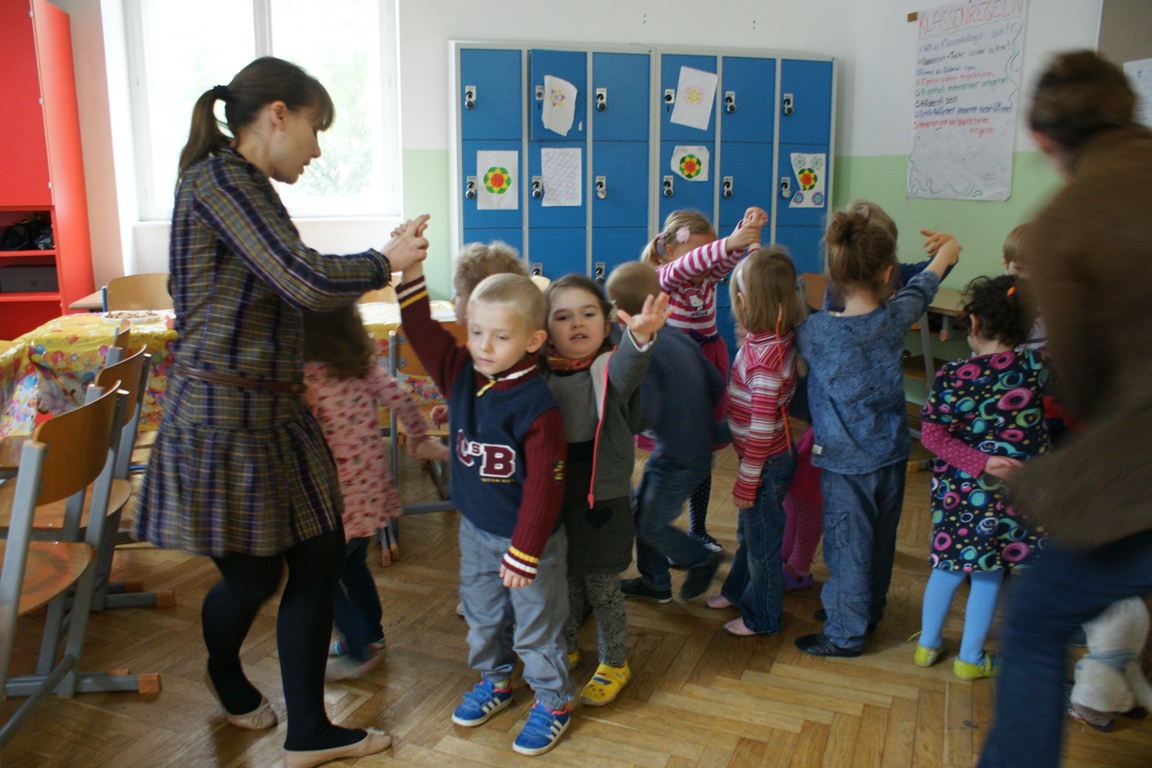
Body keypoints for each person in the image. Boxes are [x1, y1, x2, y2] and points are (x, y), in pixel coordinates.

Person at [131, 57, 429, 767]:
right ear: (278, 115)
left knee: (321, 557)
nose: (318, 149)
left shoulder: (243, 185)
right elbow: (302, 278)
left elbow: (287, 274)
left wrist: (378, 261)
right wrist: (384, 259)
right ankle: (228, 674)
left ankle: (308, 733)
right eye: (316, 129)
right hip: (224, 417)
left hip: (270, 409)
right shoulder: (219, 180)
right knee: (253, 577)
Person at [978, 50, 1152, 768]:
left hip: (1142, 469)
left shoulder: (1062, 224)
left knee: (1036, 621)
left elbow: (1082, 385)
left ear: (1045, 141)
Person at [395, 256, 574, 757]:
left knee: (537, 628)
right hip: (475, 532)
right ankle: (496, 681)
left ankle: (553, 701)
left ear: (533, 341)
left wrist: (525, 551)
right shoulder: (461, 374)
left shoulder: (538, 407)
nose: (483, 347)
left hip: (529, 545)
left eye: (499, 337)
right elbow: (420, 328)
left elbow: (545, 487)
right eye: (476, 333)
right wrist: (410, 271)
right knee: (482, 617)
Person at [793, 207, 960, 658]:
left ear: (833, 273)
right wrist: (948, 249)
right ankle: (867, 612)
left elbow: (778, 307)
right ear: (889, 273)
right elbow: (927, 281)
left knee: (848, 546)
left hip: (846, 465)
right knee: (880, 542)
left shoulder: (814, 330)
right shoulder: (895, 315)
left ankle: (845, 633)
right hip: (891, 453)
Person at [912, 274, 1051, 680]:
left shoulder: (953, 376)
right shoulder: (1036, 368)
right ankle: (970, 660)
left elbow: (932, 436)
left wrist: (977, 461)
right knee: (989, 572)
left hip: (960, 495)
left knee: (947, 568)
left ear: (973, 323)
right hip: (1009, 496)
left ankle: (927, 646)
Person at [541, 274, 669, 706]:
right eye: (563, 317)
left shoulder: (609, 368)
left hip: (602, 498)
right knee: (567, 579)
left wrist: (640, 337)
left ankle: (615, 661)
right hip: (558, 495)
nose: (577, 323)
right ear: (546, 330)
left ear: (607, 320)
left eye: (588, 313)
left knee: (603, 587)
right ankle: (569, 646)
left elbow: (629, 366)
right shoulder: (542, 372)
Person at [300, 305, 436, 681]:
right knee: (353, 565)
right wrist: (418, 437)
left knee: (321, 578)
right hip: (367, 494)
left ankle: (358, 650)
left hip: (332, 501)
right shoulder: (361, 365)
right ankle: (370, 636)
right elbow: (401, 397)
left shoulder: (304, 377)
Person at [639, 208, 766, 552]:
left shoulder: (707, 277)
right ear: (669, 250)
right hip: (678, 370)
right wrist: (728, 242)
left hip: (707, 361)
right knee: (673, 451)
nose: (707, 262)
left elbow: (723, 259)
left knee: (703, 448)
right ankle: (659, 531)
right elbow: (690, 264)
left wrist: (745, 229)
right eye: (700, 252)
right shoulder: (664, 276)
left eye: (708, 251)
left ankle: (698, 528)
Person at [606, 263, 727, 607]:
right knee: (642, 514)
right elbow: (716, 384)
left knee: (651, 526)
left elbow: (647, 412)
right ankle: (656, 583)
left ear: (618, 312)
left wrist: (617, 425)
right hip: (692, 446)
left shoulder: (646, 352)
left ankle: (701, 559)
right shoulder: (679, 337)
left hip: (678, 457)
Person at [705, 246, 807, 636]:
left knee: (762, 547)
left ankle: (762, 617)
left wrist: (748, 480)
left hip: (765, 466)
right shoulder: (770, 337)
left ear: (749, 303)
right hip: (764, 462)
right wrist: (754, 254)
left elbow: (763, 427)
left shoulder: (766, 360)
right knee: (749, 536)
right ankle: (736, 591)